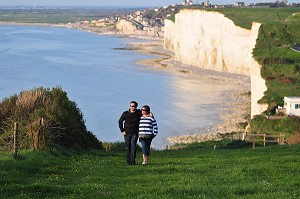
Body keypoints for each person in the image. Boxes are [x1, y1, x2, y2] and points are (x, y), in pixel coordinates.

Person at [118, 101, 142, 165]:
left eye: (133, 106)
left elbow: (146, 113)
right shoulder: (125, 113)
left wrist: (151, 115)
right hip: (127, 133)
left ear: (136, 106)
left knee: (133, 146)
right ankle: (128, 161)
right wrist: (122, 131)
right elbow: (120, 121)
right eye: (131, 106)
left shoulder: (139, 113)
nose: (132, 107)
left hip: (135, 133)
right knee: (127, 147)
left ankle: (133, 161)